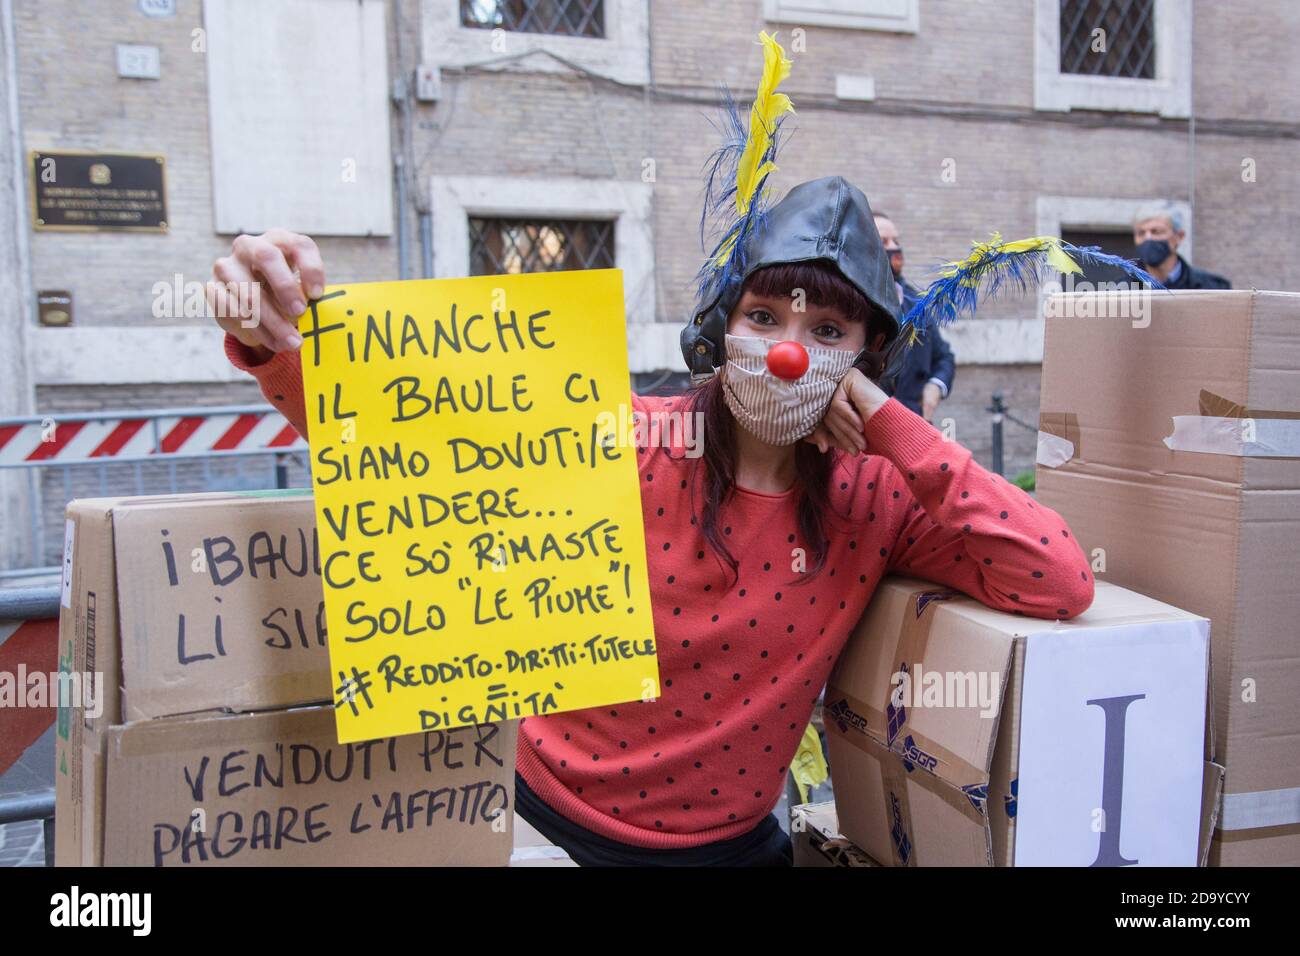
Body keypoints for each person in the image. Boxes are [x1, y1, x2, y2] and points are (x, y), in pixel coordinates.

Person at [207, 177, 1095, 867]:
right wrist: (274, 335)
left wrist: (889, 419)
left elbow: (1057, 577)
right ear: (723, 324)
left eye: (827, 329)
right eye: (764, 315)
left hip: (733, 849)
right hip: (536, 824)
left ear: (864, 357)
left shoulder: (877, 496)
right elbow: (394, 430)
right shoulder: (625, 437)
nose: (789, 348)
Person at [872, 212, 955, 421]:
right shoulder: (850, 300)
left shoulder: (917, 302)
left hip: (915, 427)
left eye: (896, 240)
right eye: (884, 241)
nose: (894, 247)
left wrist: (935, 386)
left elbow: (943, 357)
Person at [1132, 202, 1230, 290]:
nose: (1148, 238)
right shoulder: (1121, 291)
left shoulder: (1213, 288)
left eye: (1156, 232)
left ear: (1179, 236)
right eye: (1141, 233)